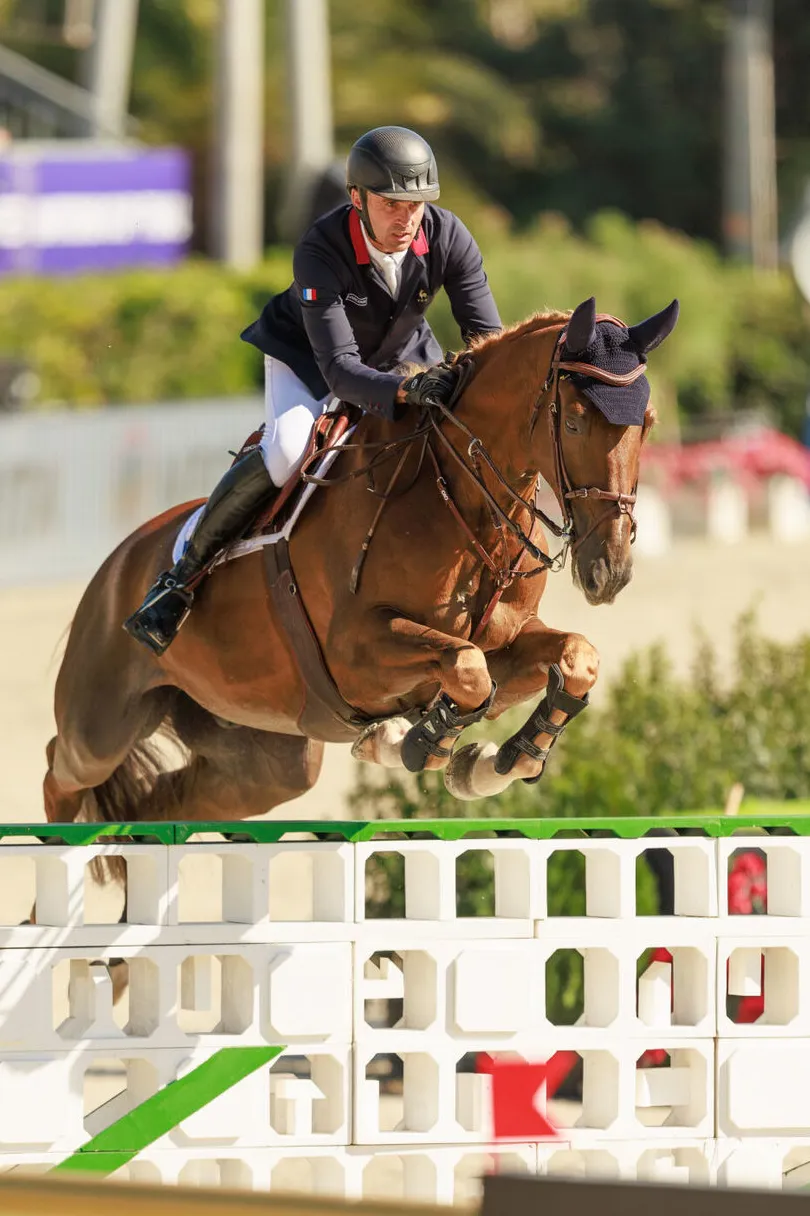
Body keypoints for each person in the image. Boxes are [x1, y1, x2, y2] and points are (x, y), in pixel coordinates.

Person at [124, 125, 503, 655]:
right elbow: (341, 372)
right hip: (308, 360)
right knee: (286, 452)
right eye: (391, 203)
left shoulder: (447, 235)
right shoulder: (321, 248)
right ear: (357, 198)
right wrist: (406, 392)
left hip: (402, 353)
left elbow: (486, 338)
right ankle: (181, 579)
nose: (407, 217)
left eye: (417, 204)